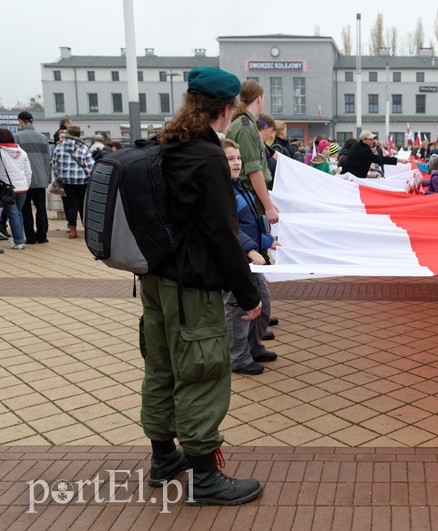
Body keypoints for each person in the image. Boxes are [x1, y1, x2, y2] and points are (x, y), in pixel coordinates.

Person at [142, 66, 263, 505]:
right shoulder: (208, 155)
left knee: (161, 366)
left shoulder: (166, 145)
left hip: (154, 279)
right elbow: (222, 235)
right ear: (227, 109)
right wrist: (248, 295)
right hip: (191, 286)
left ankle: (163, 458)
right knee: (201, 373)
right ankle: (205, 478)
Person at [221, 138, 279, 375]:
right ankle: (238, 357)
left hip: (250, 258)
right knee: (238, 308)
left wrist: (266, 241)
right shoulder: (222, 190)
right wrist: (248, 249)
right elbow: (229, 225)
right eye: (230, 159)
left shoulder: (238, 185)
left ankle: (253, 346)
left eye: (238, 158)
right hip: (237, 260)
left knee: (261, 302)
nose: (236, 163)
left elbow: (249, 224)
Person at [225, 80, 279, 223]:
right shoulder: (246, 127)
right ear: (259, 98)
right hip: (250, 195)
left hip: (250, 194)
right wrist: (268, 207)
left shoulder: (244, 123)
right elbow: (253, 170)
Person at [51, 125, 93, 239]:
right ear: (79, 136)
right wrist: (91, 178)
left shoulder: (59, 147)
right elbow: (90, 166)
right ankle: (87, 230)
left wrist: (58, 178)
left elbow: (54, 165)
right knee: (83, 205)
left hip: (66, 180)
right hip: (82, 180)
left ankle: (72, 230)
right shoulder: (84, 148)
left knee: (72, 205)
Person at [14, 111, 51, 244]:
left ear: (20, 121)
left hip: (24, 179)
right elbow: (47, 160)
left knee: (26, 209)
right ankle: (42, 236)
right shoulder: (43, 138)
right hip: (41, 179)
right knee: (41, 208)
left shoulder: (16, 137)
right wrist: (47, 178)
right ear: (32, 121)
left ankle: (30, 237)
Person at [0, 128, 32, 250]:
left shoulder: (1, 152)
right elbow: (28, 171)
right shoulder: (22, 152)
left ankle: (19, 241)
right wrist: (26, 185)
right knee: (17, 213)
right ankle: (20, 239)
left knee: (13, 214)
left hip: (7, 188)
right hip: (22, 188)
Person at [340, 131, 407, 178]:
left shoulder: (357, 146)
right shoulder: (365, 150)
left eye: (373, 139)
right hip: (352, 177)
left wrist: (366, 166)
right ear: (364, 140)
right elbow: (379, 159)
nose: (373, 141)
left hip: (349, 175)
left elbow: (357, 161)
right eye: (370, 139)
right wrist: (399, 160)